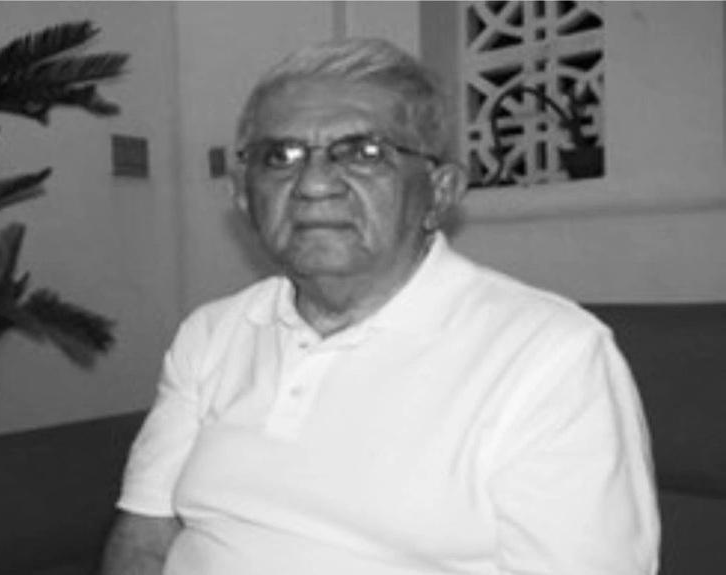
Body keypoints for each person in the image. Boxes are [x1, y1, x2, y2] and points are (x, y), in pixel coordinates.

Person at [100, 37, 660, 575]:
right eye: (280, 156)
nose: (314, 184)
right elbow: (145, 535)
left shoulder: (552, 357)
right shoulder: (212, 333)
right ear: (244, 196)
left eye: (365, 153)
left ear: (440, 192)